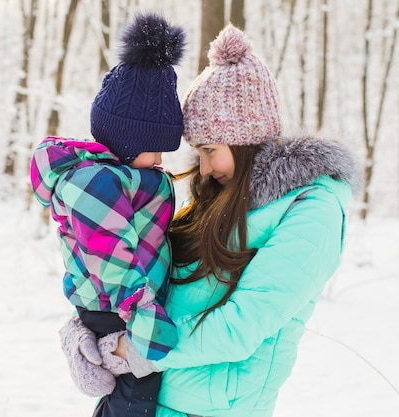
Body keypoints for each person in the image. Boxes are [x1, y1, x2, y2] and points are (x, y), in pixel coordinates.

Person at [59, 24, 362, 417]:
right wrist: (83, 330)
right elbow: (140, 273)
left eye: (209, 150)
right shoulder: (215, 197)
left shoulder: (311, 211)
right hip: (137, 400)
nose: (201, 168)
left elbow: (239, 327)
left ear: (244, 140)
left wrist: (125, 349)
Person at [30, 13, 187, 417]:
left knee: (131, 393)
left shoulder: (118, 179)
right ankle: (86, 347)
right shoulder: (96, 184)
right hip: (117, 305)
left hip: (118, 303)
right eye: (156, 149)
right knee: (137, 394)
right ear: (131, 141)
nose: (160, 160)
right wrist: (144, 313)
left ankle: (89, 350)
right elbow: (110, 255)